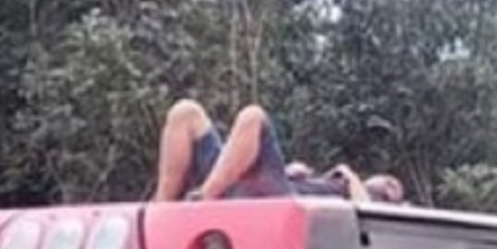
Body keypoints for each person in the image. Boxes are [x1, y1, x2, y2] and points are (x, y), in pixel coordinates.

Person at [153, 99, 370, 203]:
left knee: (253, 116)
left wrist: (348, 175)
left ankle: (202, 201)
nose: (390, 185)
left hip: (273, 200)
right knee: (185, 113)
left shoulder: (355, 190)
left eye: (392, 186)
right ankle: (160, 210)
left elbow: (366, 216)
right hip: (235, 180)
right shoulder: (320, 178)